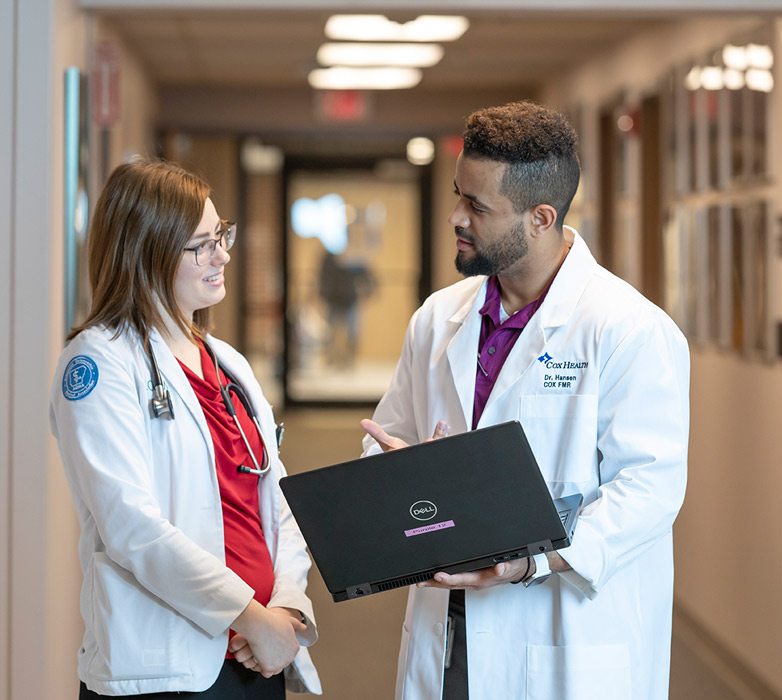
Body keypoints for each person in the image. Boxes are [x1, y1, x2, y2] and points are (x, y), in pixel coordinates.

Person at [361, 101, 689, 700]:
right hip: (450, 633)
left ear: (540, 217)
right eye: (459, 194)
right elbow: (388, 435)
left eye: (477, 206)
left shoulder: (628, 329)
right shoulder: (439, 319)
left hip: (564, 638)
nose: (456, 217)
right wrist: (399, 472)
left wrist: (529, 562)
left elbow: (649, 488)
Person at [51, 158, 321, 699]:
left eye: (221, 234)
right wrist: (247, 615)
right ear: (147, 252)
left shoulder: (228, 363)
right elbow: (132, 527)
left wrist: (285, 607)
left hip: (258, 656)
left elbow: (277, 501)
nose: (223, 254)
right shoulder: (98, 364)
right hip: (164, 670)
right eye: (200, 244)